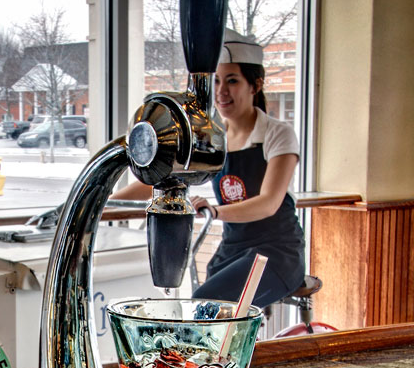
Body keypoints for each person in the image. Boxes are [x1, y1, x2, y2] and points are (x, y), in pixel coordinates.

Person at [111, 28, 305, 307]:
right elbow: (161, 178)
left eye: (233, 81)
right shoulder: (214, 137)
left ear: (256, 84)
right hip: (232, 250)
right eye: (216, 82)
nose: (221, 91)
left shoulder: (278, 134)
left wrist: (214, 211)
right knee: (206, 313)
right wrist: (105, 203)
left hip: (276, 254)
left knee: (205, 304)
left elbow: (268, 203)